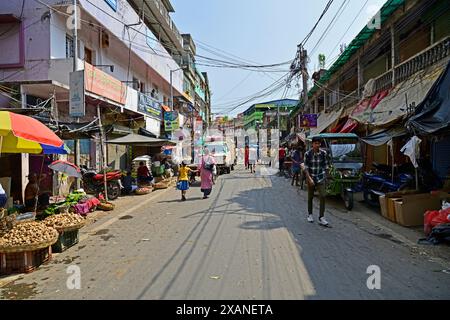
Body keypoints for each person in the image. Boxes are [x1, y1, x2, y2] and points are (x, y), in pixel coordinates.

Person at [304, 137, 331, 226]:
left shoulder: (324, 153)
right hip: (311, 177)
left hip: (320, 177)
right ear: (312, 144)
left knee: (323, 195)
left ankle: (321, 217)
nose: (317, 145)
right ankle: (310, 214)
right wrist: (309, 179)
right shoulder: (307, 154)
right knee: (310, 197)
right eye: (315, 143)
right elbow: (306, 168)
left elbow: (326, 166)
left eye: (318, 143)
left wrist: (326, 177)